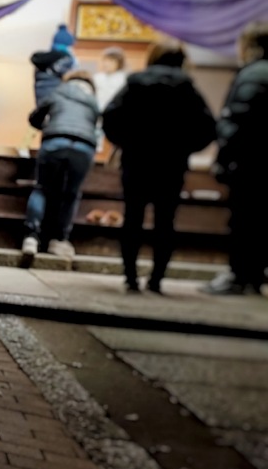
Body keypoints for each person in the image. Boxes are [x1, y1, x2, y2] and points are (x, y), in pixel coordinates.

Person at [101, 39, 216, 293]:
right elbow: (208, 127)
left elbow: (110, 116)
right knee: (165, 221)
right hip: (171, 163)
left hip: (137, 159)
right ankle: (156, 280)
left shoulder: (135, 83)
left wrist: (126, 142)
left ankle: (130, 277)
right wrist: (186, 147)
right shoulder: (187, 88)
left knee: (133, 218)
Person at [201, 21, 268, 296]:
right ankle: (255, 274)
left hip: (250, 160)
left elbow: (237, 121)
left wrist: (223, 157)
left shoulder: (252, 75)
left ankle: (240, 274)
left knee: (244, 219)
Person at [21, 68, 100, 259]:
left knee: (42, 188)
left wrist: (48, 127)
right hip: (84, 146)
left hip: (55, 141)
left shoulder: (57, 92)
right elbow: (95, 126)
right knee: (71, 194)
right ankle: (59, 240)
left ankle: (31, 237)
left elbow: (34, 117)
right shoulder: (93, 101)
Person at [17, 24, 78, 156]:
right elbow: (68, 76)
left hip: (40, 91)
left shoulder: (42, 59)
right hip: (56, 92)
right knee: (54, 121)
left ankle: (24, 145)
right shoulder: (65, 60)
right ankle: (48, 149)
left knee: (39, 117)